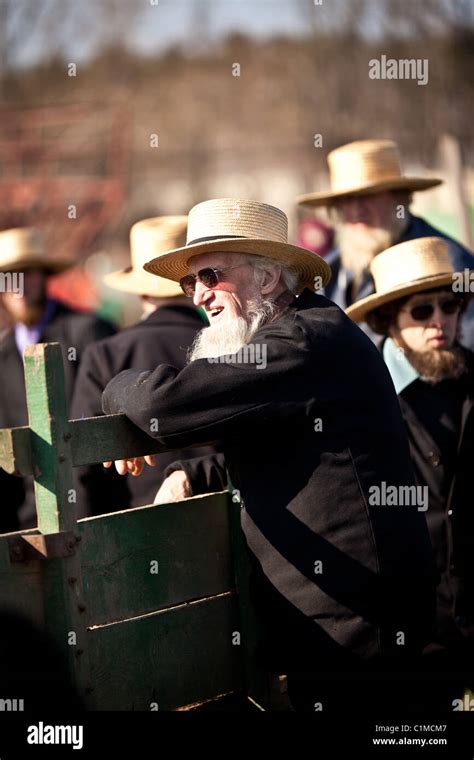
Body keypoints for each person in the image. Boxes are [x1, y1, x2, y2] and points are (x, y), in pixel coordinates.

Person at [99, 197, 436, 715]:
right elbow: (286, 451)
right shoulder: (300, 336)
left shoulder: (300, 342)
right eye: (192, 284)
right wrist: (193, 472)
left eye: (211, 275)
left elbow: (155, 404)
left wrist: (115, 387)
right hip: (344, 623)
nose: (201, 297)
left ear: (267, 279)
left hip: (358, 634)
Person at [346, 236, 474, 713]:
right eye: (422, 312)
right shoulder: (360, 393)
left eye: (450, 306)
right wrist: (191, 472)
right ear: (388, 321)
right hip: (405, 621)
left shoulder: (470, 378)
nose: (440, 321)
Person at [71, 216, 216, 515]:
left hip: (140, 530)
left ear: (140, 291)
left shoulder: (106, 354)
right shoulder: (231, 345)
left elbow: (82, 467)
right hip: (230, 524)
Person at [296, 139, 474, 349]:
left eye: (367, 196)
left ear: (400, 198)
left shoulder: (446, 259)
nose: (356, 210)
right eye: (346, 200)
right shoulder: (331, 271)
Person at [0, 227, 116, 531]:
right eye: (8, 278)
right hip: (28, 520)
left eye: (27, 274)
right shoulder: (2, 355)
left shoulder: (89, 331)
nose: (19, 287)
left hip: (96, 514)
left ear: (44, 276)